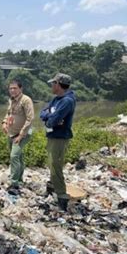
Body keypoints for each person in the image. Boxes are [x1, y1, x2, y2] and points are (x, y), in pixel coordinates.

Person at [40, 73, 76, 211]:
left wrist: (50, 120)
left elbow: (53, 121)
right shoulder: (56, 99)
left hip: (60, 137)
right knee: (51, 163)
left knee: (56, 165)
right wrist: (50, 117)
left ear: (58, 85)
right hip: (53, 135)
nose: (51, 86)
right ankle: (51, 188)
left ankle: (62, 196)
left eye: (53, 84)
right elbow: (43, 113)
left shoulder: (67, 101)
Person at [1, 79, 34, 193]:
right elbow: (9, 113)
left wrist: (21, 135)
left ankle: (14, 183)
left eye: (15, 88)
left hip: (22, 134)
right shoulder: (12, 100)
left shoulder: (26, 100)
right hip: (11, 133)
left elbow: (30, 119)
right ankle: (20, 179)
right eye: (10, 88)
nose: (12, 90)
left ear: (21, 89)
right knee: (18, 157)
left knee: (14, 156)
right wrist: (4, 122)